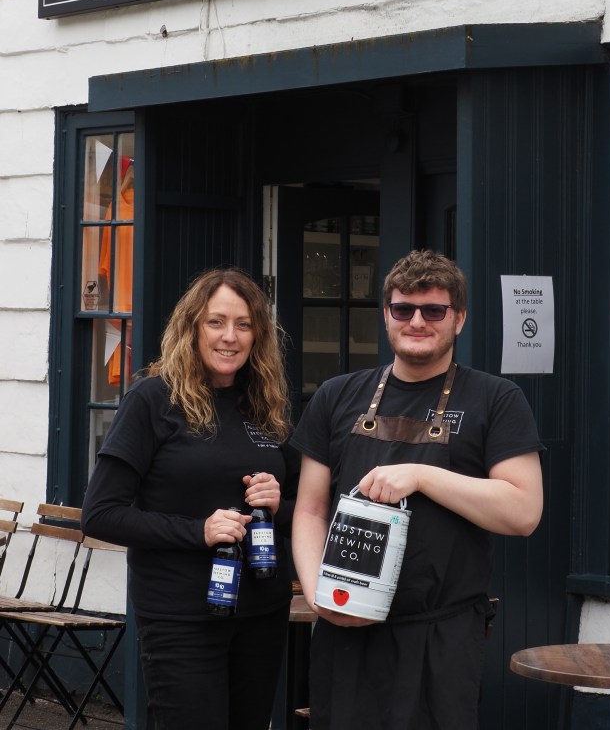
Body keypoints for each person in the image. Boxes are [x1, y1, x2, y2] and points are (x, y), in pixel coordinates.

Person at [290, 249, 544, 730]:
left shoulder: (496, 399)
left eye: (434, 310)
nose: (417, 321)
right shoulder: (336, 395)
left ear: (459, 318)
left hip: (439, 638)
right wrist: (321, 596)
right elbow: (309, 509)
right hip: (347, 631)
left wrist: (424, 476)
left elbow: (524, 510)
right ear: (386, 315)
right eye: (403, 309)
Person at [82, 267, 299, 730]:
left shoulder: (265, 405)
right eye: (216, 322)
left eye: (243, 325)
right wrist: (196, 531)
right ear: (192, 328)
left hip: (261, 613)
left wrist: (280, 506)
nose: (230, 337)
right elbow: (100, 514)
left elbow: (306, 511)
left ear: (258, 335)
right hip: (182, 616)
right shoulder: (152, 400)